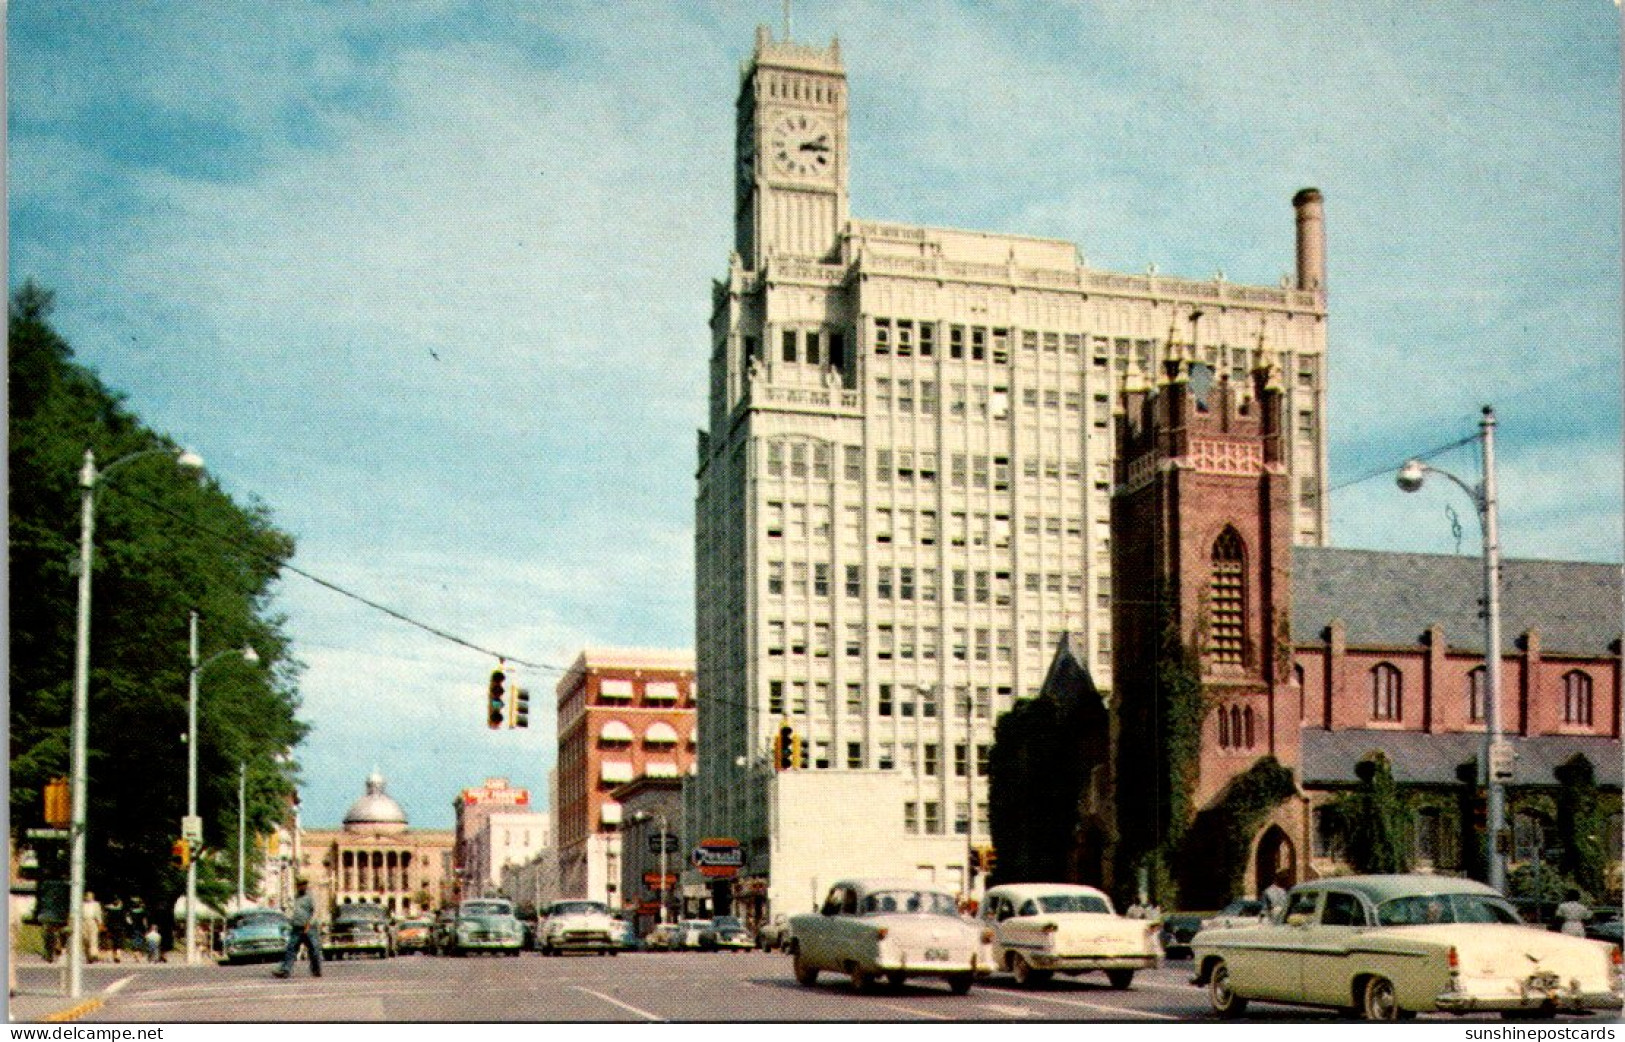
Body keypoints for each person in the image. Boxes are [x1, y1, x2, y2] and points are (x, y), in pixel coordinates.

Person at [273, 879, 321, 978]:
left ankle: (316, 970)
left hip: (309, 928)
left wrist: (309, 923)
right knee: (291, 949)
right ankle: (285, 970)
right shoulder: (294, 897)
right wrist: (290, 921)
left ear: (306, 886)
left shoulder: (310, 897)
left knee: (314, 949)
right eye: (299, 885)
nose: (301, 887)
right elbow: (290, 911)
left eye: (303, 885)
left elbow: (316, 912)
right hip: (296, 928)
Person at [81, 891, 104, 964]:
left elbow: (98, 914)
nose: (89, 897)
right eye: (87, 896)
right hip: (83, 922)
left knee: (93, 938)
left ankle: (94, 954)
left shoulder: (96, 904)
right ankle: (88, 956)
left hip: (93, 922)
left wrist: (100, 923)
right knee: (85, 939)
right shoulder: (81, 904)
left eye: (90, 896)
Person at [103, 896, 126, 963]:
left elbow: (107, 919)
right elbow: (124, 920)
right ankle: (117, 956)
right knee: (118, 942)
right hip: (119, 927)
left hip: (112, 927)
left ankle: (115, 956)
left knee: (113, 942)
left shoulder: (109, 910)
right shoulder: (122, 909)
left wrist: (106, 926)